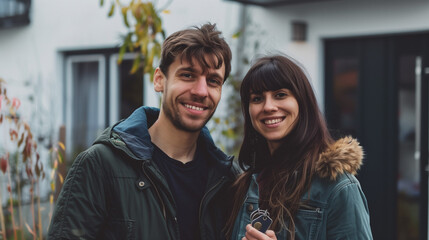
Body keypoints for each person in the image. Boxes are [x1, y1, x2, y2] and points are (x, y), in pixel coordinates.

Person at [48, 23, 235, 240]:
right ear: (159, 80)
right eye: (187, 75)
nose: (201, 91)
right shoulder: (100, 166)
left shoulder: (227, 179)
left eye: (213, 81)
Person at [225, 55, 373, 240]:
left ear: (302, 103)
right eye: (257, 98)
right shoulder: (245, 184)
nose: (268, 106)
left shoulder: (337, 187)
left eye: (280, 95)